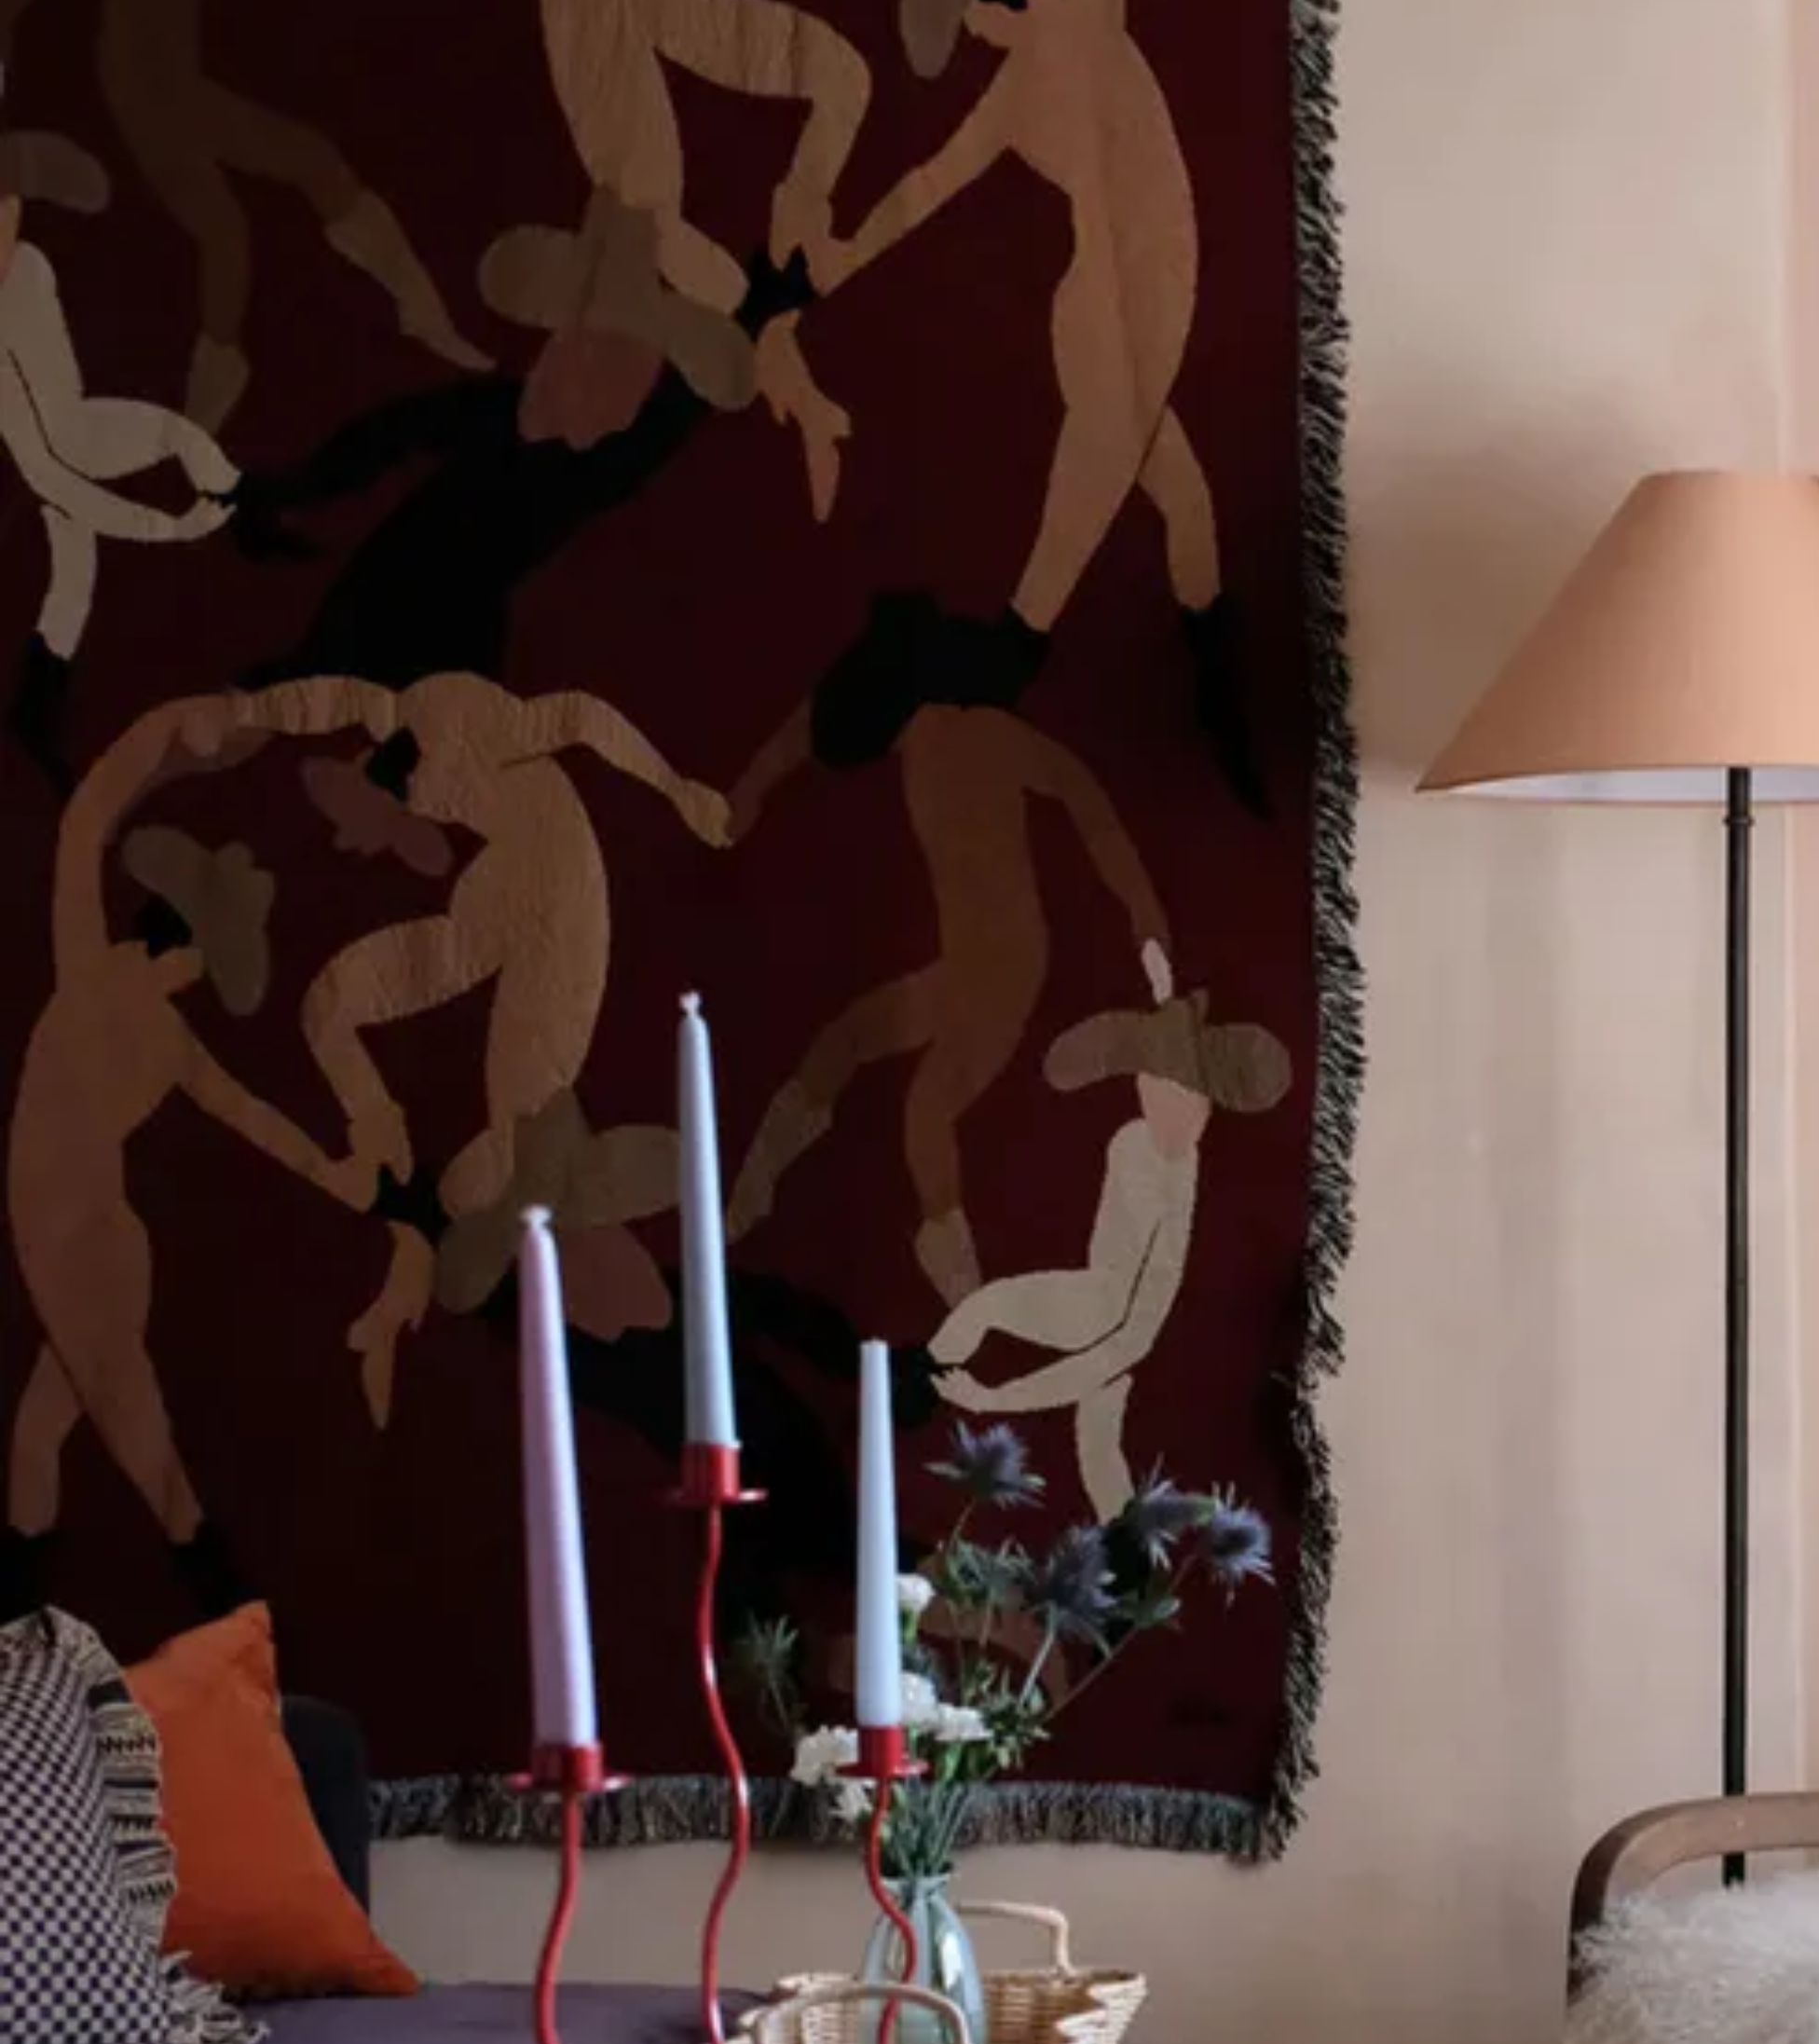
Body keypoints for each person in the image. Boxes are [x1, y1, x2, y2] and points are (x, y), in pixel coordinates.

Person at [807, 0, 1263, 807]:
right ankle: (910, 646)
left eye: (955, 15)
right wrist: (835, 260)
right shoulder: (1050, 56)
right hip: (1115, 318)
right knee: (1037, 620)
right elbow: (925, 189)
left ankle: (1216, 711)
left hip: (1119, 314)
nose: (963, 37)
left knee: (1187, 517)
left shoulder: (1073, 30)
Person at [403, 0, 969, 515]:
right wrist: (802, 400)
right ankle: (790, 212)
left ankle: (786, 212)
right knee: (838, 81)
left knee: (835, 81)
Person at [5, 684, 373, 1605]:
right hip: (85, 1236)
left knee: (140, 1444)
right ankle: (26, 1632)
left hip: (74, 1235)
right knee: (44, 1435)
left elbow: (86, 824)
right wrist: (337, 1176)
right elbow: (258, 1120)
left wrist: (155, 745)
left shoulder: (99, 982)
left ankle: (221, 1598)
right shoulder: (156, 1026)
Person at [289, 668, 731, 1420]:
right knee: (333, 1009)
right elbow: (302, 706)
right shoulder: (387, 726)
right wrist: (228, 714)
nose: (343, 840)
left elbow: (581, 714)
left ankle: (556, 1209)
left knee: (512, 1117)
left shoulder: (457, 721)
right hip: (502, 901)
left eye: (342, 815)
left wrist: (678, 788)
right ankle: (521, 1196)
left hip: (558, 897)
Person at [0, 0, 486, 432]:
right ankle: (405, 321)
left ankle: (409, 317)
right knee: (246, 218)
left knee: (240, 224)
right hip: (145, 86)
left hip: (163, 78)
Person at [229, 218, 812, 690]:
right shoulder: (496, 411)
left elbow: (680, 409)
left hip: (454, 622)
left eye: (617, 374)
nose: (585, 376)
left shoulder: (602, 461)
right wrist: (290, 489)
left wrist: (756, 310)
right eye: (581, 353)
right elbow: (382, 437)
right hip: (398, 588)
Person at [727, 697, 1169, 1302]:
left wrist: (1146, 918)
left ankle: (965, 1294)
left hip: (1008, 964)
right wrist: (751, 787)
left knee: (925, 1110)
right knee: (845, 1041)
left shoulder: (987, 734)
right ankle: (755, 1190)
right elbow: (805, 728)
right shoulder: (906, 730)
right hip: (964, 964)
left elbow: (1085, 799)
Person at [932, 987, 1290, 1516]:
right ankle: (918, 1375)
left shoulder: (1174, 1195)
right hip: (1099, 1299)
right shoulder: (1130, 1142)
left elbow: (1119, 1341)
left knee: (1097, 1446)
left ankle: (1128, 1570)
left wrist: (994, 1398)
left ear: (1203, 1113)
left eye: (1182, 1101)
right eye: (1152, 1088)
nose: (1162, 1109)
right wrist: (1170, 1002)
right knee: (997, 1318)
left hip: (1120, 1326)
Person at [0, 91, 236, 788]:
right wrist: (169, 525)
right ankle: (39, 699)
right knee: (68, 517)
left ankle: (38, 701)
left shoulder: (24, 272)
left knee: (68, 486)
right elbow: (53, 474)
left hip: (23, 297)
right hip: (20, 306)